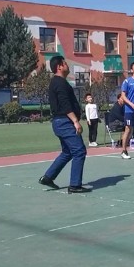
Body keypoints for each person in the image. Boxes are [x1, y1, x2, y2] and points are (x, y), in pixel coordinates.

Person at [38, 56, 91, 193]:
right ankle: (74, 185)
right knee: (79, 151)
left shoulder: (58, 82)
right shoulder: (60, 83)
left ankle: (48, 177)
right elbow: (64, 104)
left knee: (67, 152)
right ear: (59, 67)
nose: (68, 65)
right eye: (65, 63)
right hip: (65, 122)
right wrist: (75, 121)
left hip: (60, 122)